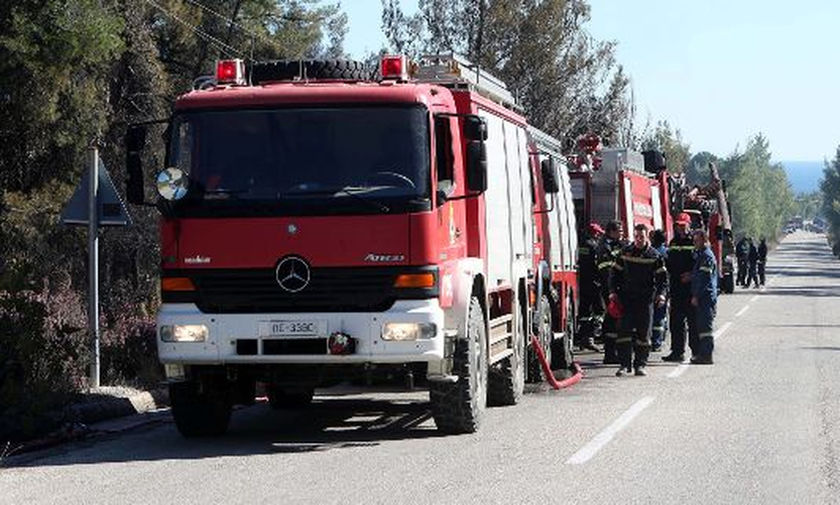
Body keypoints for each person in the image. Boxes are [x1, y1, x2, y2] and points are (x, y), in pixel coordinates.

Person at [609, 223, 668, 377]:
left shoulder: (654, 256)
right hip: (626, 299)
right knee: (623, 333)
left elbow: (662, 279)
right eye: (636, 236)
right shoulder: (625, 253)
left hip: (645, 299)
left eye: (641, 237)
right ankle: (623, 365)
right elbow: (614, 274)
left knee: (644, 334)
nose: (638, 240)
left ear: (647, 237)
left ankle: (640, 365)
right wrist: (613, 292)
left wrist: (661, 294)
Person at [662, 213, 696, 362]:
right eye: (678, 226)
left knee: (693, 322)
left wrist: (692, 275)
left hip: (691, 289)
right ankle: (677, 352)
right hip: (676, 288)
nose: (680, 228)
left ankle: (696, 352)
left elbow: (703, 264)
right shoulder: (673, 243)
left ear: (689, 225)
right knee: (676, 322)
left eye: (683, 225)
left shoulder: (695, 241)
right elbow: (669, 264)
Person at [597, 220, 626, 364]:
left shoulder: (620, 245)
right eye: (619, 231)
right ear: (611, 232)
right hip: (610, 290)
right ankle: (610, 354)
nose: (622, 234)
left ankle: (617, 352)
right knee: (612, 320)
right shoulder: (604, 247)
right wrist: (612, 291)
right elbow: (606, 271)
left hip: (618, 289)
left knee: (618, 320)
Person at [575, 223, 605, 352]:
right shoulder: (594, 246)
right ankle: (590, 337)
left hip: (581, 282)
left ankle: (583, 338)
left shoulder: (579, 245)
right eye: (598, 233)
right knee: (599, 310)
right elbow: (598, 265)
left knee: (584, 311)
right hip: (593, 283)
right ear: (595, 234)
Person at [690, 229, 717, 364]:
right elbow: (698, 275)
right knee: (701, 327)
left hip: (705, 297)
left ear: (704, 240)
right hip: (704, 297)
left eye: (697, 240)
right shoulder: (701, 255)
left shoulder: (706, 256)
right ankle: (703, 354)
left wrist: (696, 295)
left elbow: (704, 279)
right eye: (694, 241)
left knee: (705, 328)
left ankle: (706, 355)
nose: (695, 243)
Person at [650, 229, 668, 352]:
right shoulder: (666, 252)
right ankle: (657, 342)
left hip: (650, 287)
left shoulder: (650, 251)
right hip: (662, 287)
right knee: (660, 315)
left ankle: (650, 340)